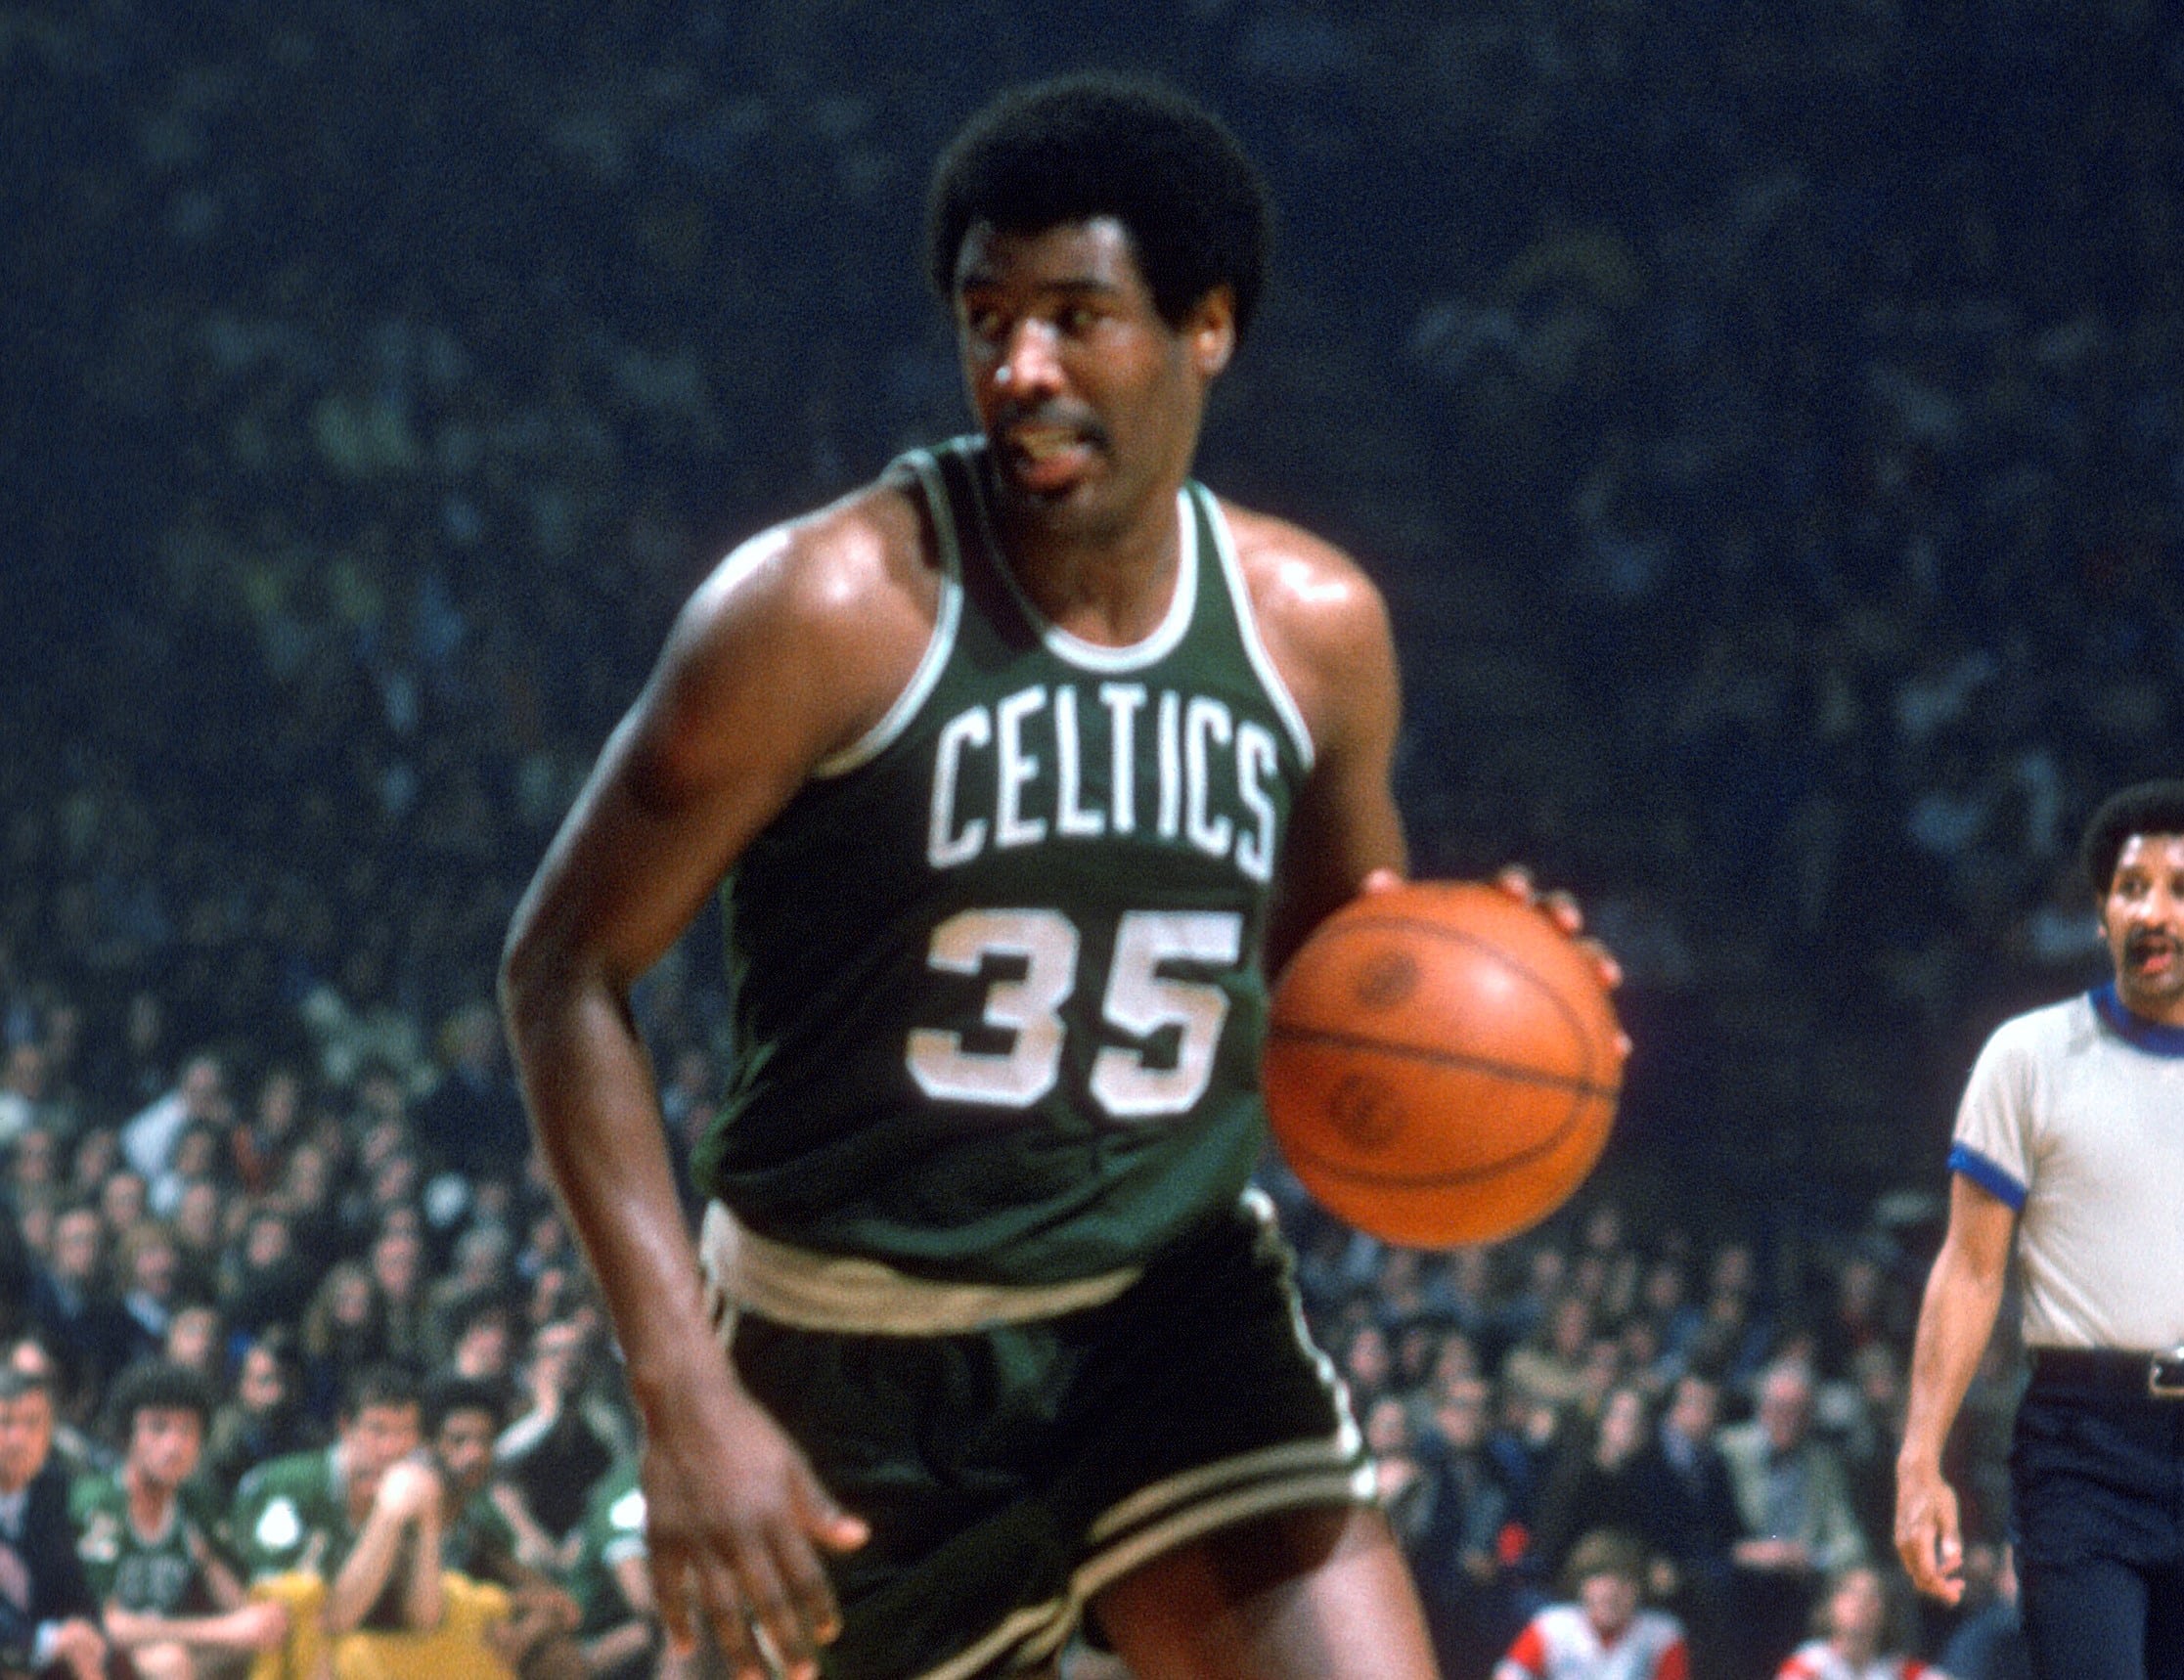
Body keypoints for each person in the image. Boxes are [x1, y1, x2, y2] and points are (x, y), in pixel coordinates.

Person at [501, 70, 1614, 1680]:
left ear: (1205, 326)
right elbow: (561, 970)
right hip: (848, 1356)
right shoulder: (819, 610)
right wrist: (681, 1393)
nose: (1017, 369)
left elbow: (1347, 1003)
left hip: (1169, 1318)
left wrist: (1504, 976)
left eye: (1075, 317)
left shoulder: (1313, 630)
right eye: (984, 319)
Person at [1895, 779, 2184, 1678]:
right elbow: (1971, 1272)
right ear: (2099, 915)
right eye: (2130, 887)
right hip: (2082, 1445)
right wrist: (1918, 1459)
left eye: (2178, 887)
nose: (2153, 911)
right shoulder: (2026, 1057)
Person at [231, 1364, 512, 1680]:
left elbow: (425, 1618)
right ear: (346, 1428)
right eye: (377, 1430)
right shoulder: (289, 1486)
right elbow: (329, 1619)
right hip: (261, 1649)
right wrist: (387, 1517)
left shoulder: (411, 1491)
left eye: (405, 1432)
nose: (391, 1448)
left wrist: (429, 1519)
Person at [67, 1361, 289, 1680]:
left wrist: (254, 1618)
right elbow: (108, 1622)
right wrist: (222, 1630)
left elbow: (238, 1609)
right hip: (97, 1653)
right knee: (168, 1661)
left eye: (187, 1430)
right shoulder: (99, 1502)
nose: (174, 1446)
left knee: (271, 1635)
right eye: (158, 1428)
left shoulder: (196, 1503)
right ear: (127, 1436)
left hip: (172, 1648)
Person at [0, 1367, 110, 1680]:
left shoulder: (58, 1493)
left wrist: (85, 1632)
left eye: (32, 1424)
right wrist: (45, 1640)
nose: (18, 1439)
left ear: (50, 1434)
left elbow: (77, 1589)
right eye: (5, 1422)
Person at [1493, 1528, 1688, 1680]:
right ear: (1581, 1586)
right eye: (1600, 1581)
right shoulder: (1552, 1626)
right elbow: (1508, 1675)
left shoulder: (1662, 1635)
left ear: (1639, 1589)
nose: (1612, 1593)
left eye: (1624, 1582)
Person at [1772, 1564, 1939, 1680]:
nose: (1860, 1603)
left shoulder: (1901, 1671)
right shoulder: (1808, 1665)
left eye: (1872, 1596)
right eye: (1851, 1593)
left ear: (1887, 1612)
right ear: (1830, 1605)